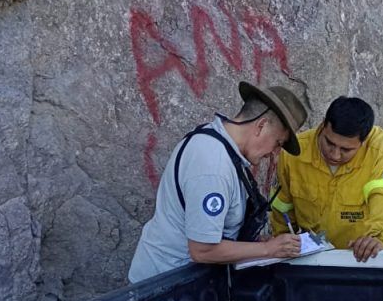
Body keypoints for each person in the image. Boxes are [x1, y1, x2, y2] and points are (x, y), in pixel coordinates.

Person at [129, 82, 307, 281]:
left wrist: (254, 244)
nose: (274, 153)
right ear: (261, 126)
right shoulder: (214, 167)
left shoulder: (221, 146)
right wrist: (267, 249)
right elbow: (202, 250)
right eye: (278, 143)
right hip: (163, 286)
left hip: (182, 282)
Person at [270, 96, 383, 262]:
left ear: (364, 141)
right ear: (323, 125)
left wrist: (379, 238)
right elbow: (282, 208)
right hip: (310, 259)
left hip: (360, 259)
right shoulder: (294, 151)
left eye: (346, 149)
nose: (334, 154)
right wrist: (281, 242)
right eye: (329, 143)